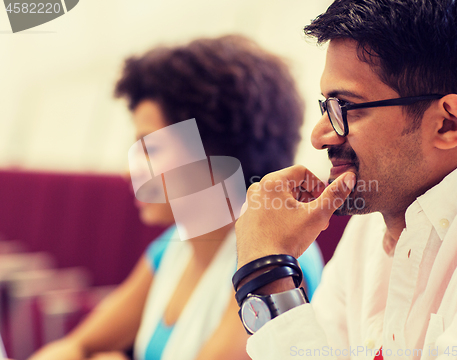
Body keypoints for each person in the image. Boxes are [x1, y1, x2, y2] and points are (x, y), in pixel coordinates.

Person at [29, 35, 324, 360]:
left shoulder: (277, 263)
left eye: (150, 148)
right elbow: (78, 345)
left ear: (214, 151)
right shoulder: (174, 246)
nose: (130, 173)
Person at [233, 0, 457, 359]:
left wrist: (267, 275)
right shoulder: (373, 225)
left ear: (447, 123)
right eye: (326, 108)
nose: (319, 136)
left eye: (344, 108)